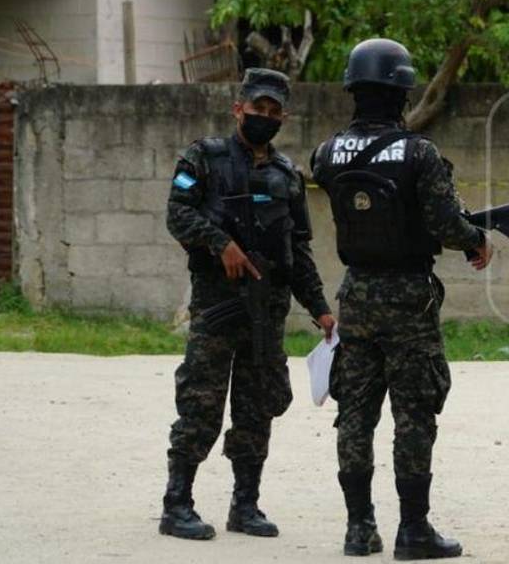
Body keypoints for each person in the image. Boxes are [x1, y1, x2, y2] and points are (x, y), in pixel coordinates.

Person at [311, 39, 491, 560]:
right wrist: (476, 238)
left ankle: (358, 528)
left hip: (356, 298)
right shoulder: (419, 154)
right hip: (409, 299)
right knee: (414, 413)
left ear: (352, 88)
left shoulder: (326, 153)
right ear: (402, 89)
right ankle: (413, 531)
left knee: (355, 413)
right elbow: (443, 223)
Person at [160, 68, 336, 540]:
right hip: (218, 310)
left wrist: (319, 307)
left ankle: (246, 505)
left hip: (266, 314)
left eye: (274, 111)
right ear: (238, 108)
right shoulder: (204, 158)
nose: (265, 117)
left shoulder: (287, 176)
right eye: (258, 108)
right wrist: (220, 243)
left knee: (257, 410)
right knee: (200, 403)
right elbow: (177, 213)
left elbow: (298, 250)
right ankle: (177, 504)